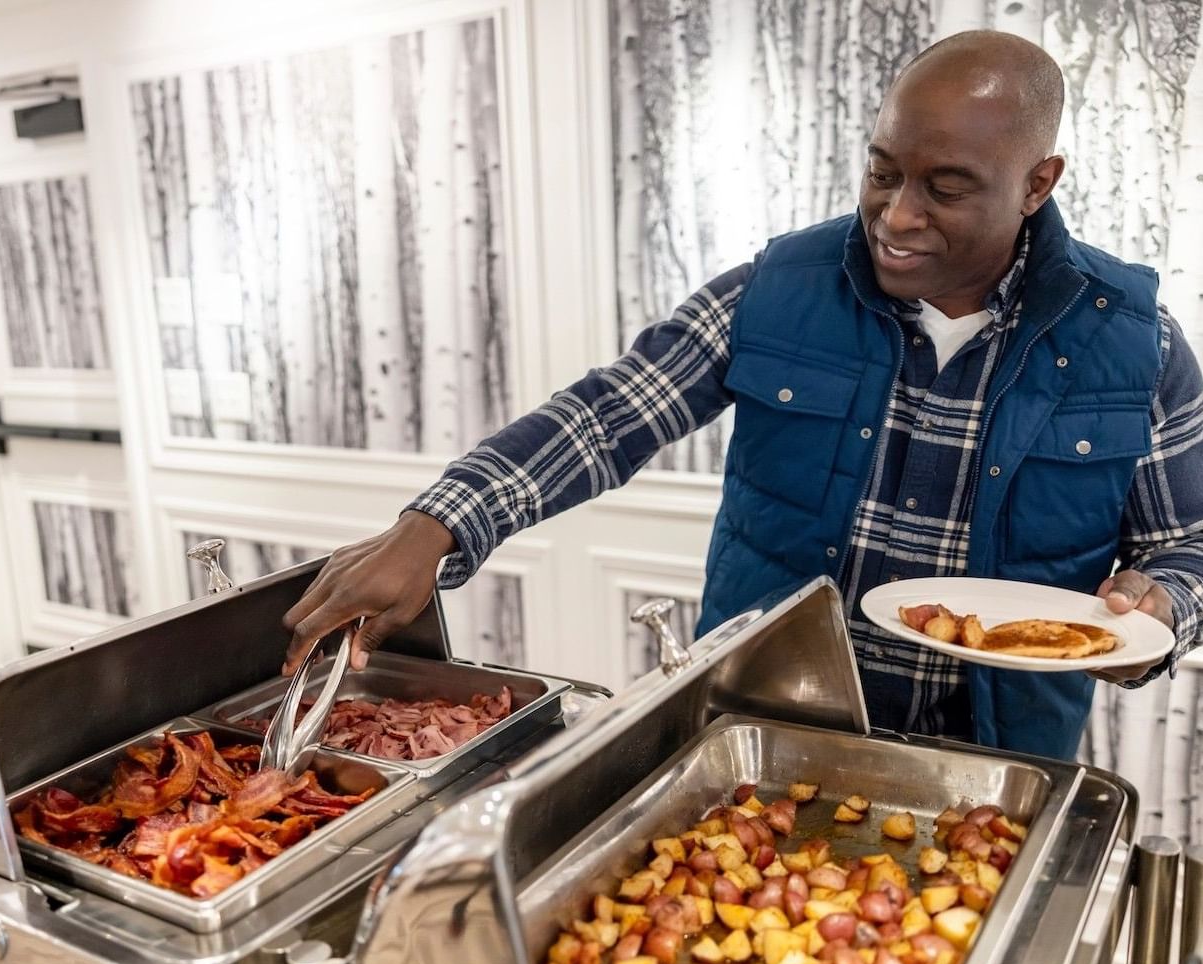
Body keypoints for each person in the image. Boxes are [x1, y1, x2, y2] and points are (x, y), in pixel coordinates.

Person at [281, 30, 1203, 761]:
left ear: (1038, 183)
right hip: (764, 737)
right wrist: (436, 525)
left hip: (1001, 765)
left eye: (946, 187)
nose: (895, 214)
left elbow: (1188, 544)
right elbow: (607, 416)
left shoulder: (1135, 340)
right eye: (883, 170)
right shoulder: (777, 288)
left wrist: (1158, 605)